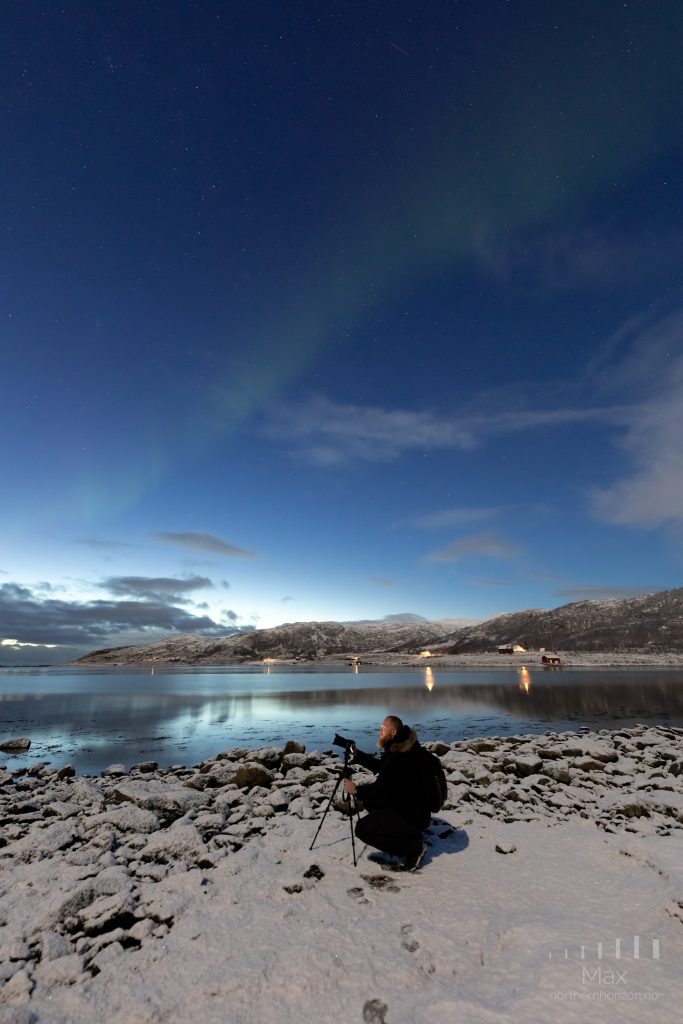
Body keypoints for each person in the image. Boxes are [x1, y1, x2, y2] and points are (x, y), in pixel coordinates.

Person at [343, 715, 430, 871]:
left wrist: (355, 790)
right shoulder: (401, 747)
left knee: (362, 829)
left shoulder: (399, 756)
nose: (379, 731)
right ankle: (407, 834)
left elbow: (379, 788)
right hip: (414, 809)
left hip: (411, 815)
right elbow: (382, 767)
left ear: (394, 732)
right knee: (370, 802)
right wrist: (357, 755)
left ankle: (413, 848)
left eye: (383, 728)